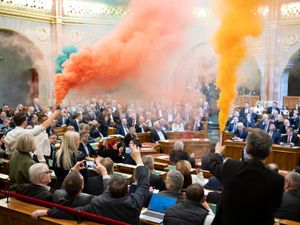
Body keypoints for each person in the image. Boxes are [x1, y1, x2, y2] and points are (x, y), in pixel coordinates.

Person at [32, 144, 149, 225]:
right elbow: (143, 183)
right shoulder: (135, 202)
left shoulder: (98, 202)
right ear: (127, 190)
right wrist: (138, 160)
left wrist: (47, 212)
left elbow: (73, 213)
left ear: (109, 190)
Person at [202, 129, 284, 225]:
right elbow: (274, 206)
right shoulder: (277, 180)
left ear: (247, 148)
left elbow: (210, 163)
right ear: (270, 151)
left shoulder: (231, 167)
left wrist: (217, 152)